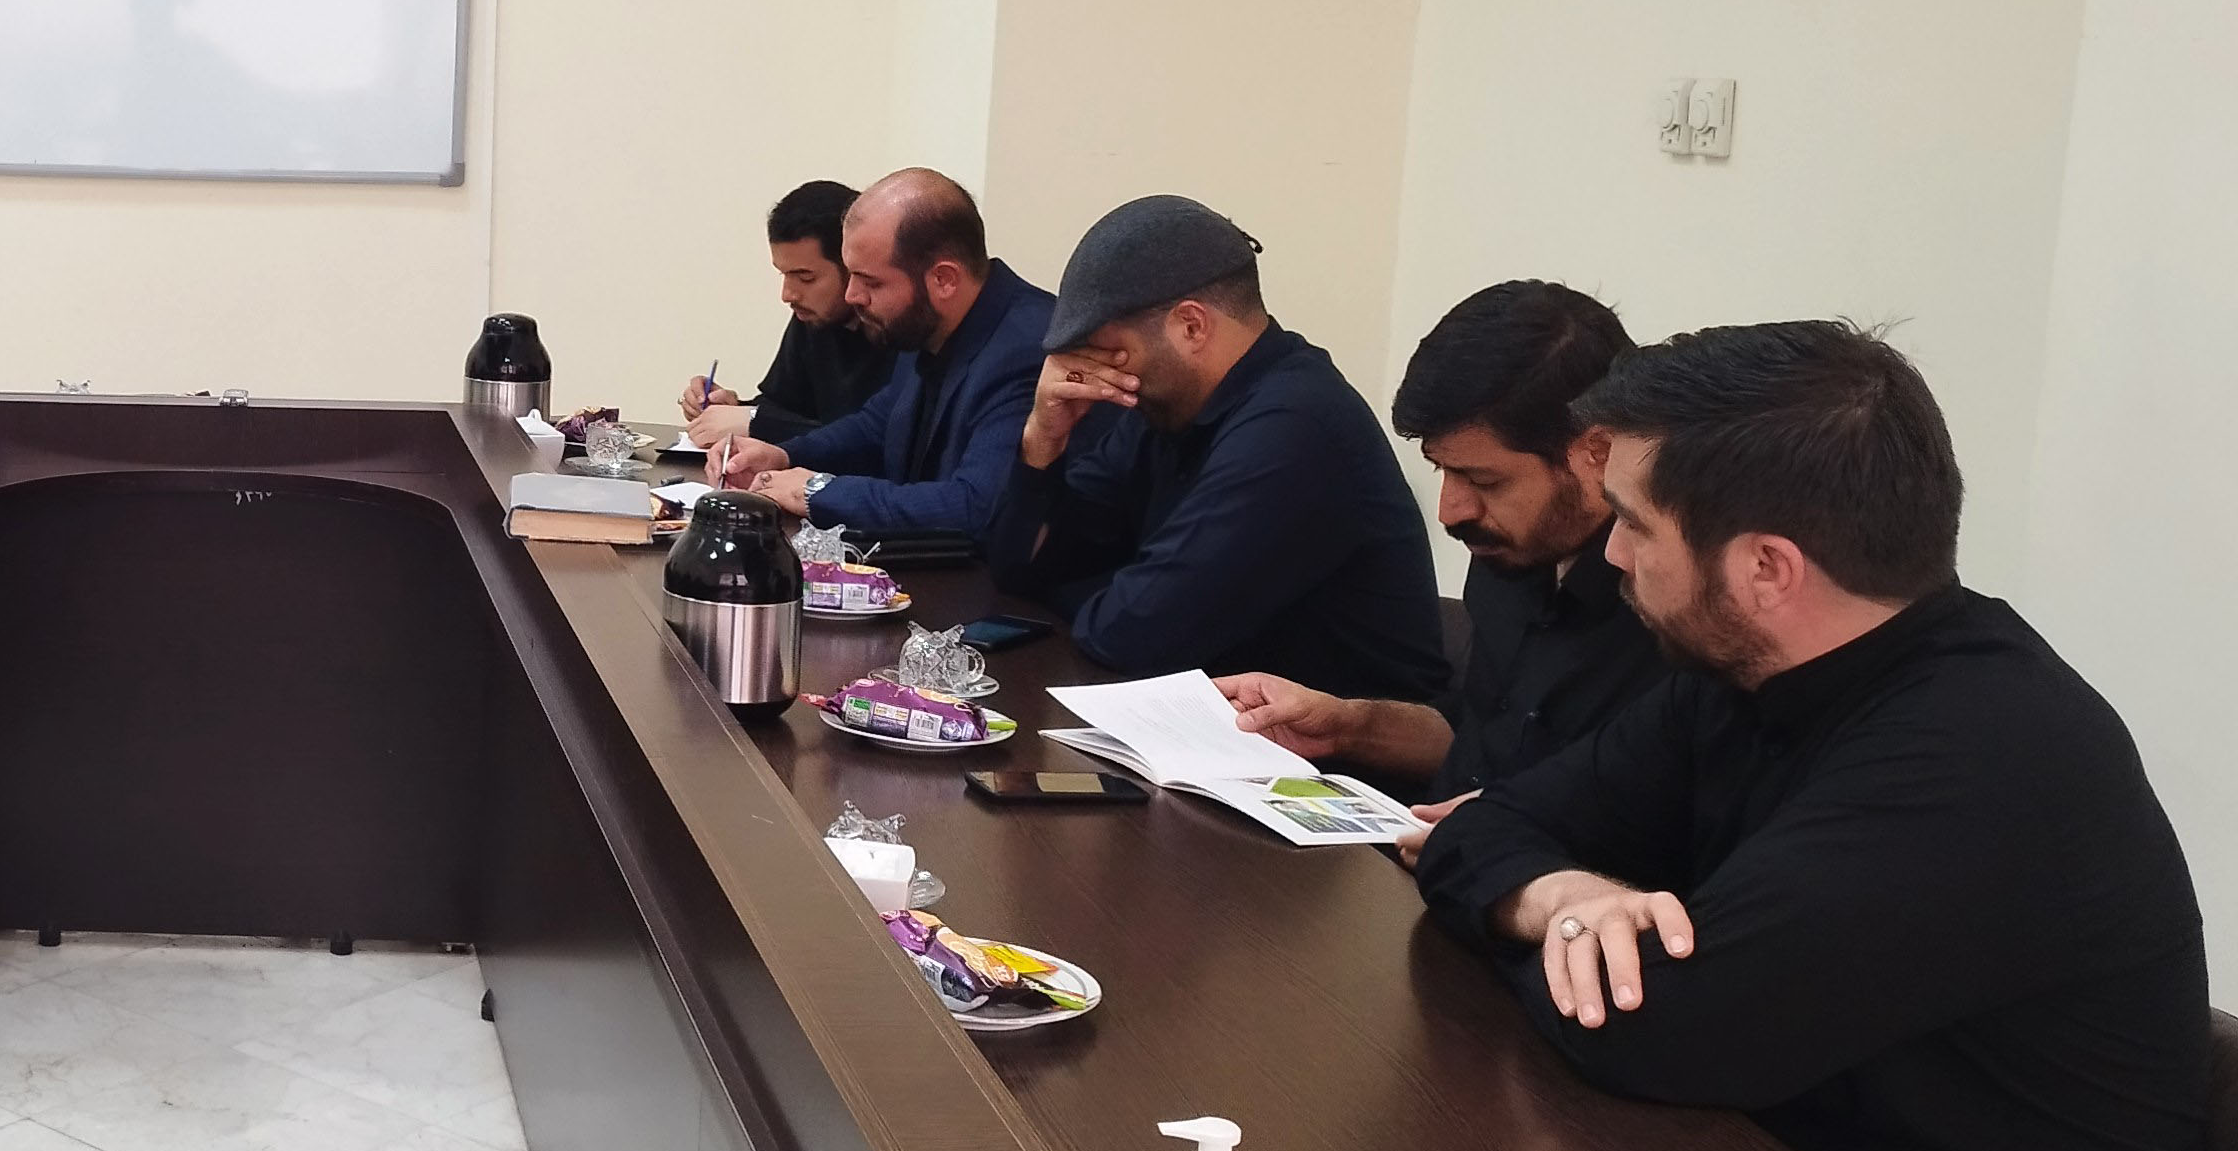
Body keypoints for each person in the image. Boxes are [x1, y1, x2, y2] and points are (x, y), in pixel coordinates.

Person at [1417, 323, 2210, 1151]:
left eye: (1635, 525)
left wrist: (1531, 915)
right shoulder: (1738, 672)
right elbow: (1480, 826)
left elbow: (1653, 1032)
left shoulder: (1980, 756)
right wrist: (1563, 900)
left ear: (1767, 569)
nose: (1611, 553)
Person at [981, 195, 1449, 699]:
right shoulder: (1162, 410)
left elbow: (1131, 633)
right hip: (1221, 725)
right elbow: (1016, 566)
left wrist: (1093, 590)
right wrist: (1043, 435)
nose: (1096, 371)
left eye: (1110, 352)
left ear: (1192, 326)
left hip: (1340, 744)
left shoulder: (1295, 426)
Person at [1219, 280, 1659, 795]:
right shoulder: (1507, 554)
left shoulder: (1669, 611)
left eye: (1484, 481)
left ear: (1596, 453)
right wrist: (1346, 726)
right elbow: (1477, 744)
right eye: (1442, 470)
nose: (1451, 511)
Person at [705, 171, 1047, 541]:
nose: (852, 296)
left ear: (944, 279)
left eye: (871, 282)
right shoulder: (926, 322)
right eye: (851, 276)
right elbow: (876, 425)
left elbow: (974, 506)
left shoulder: (1028, 350)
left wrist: (817, 491)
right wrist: (782, 456)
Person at [678, 179, 900, 449]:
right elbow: (783, 408)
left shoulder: (902, 328)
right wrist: (733, 409)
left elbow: (873, 438)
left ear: (852, 264)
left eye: (805, 278)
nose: (788, 294)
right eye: (783, 274)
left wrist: (756, 421)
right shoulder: (814, 319)